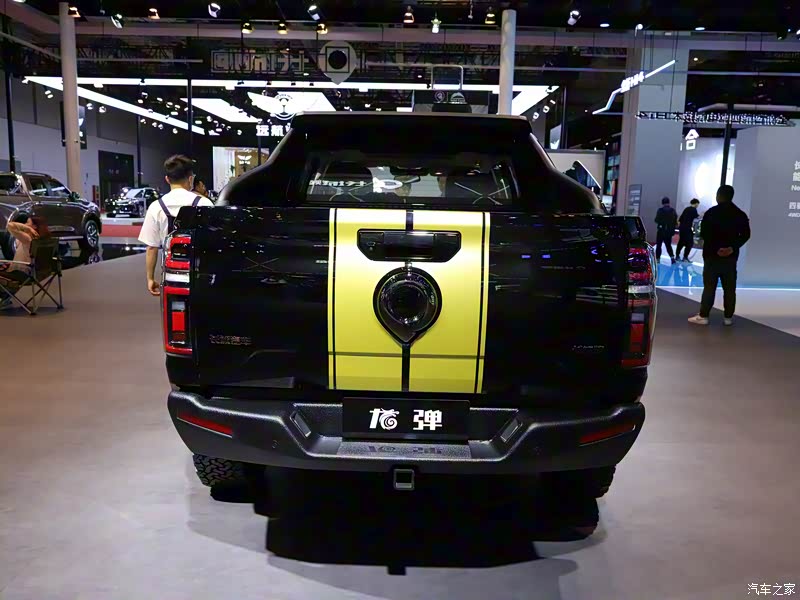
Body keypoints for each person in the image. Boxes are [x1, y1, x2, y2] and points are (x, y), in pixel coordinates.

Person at [138, 155, 214, 296]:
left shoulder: (156, 207)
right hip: (200, 272)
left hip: (171, 273)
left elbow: (151, 247)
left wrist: (150, 278)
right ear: (190, 179)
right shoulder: (205, 203)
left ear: (167, 179)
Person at [688, 185, 750, 327]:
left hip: (712, 256)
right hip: (730, 258)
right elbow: (746, 234)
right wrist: (731, 248)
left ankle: (704, 316)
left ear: (718, 196)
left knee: (709, 287)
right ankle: (728, 317)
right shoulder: (740, 214)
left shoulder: (711, 213)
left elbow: (704, 233)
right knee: (730, 288)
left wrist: (716, 248)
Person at [675, 198, 701, 262]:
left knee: (681, 242)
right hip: (688, 229)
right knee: (690, 243)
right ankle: (685, 257)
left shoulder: (686, 209)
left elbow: (680, 219)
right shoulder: (693, 210)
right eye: (698, 204)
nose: (698, 206)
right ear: (696, 203)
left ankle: (677, 256)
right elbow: (697, 217)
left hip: (682, 228)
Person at [654, 196, 678, 264]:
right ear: (669, 202)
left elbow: (656, 220)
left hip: (661, 231)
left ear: (662, 203)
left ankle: (658, 259)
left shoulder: (660, 210)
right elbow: (675, 221)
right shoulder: (673, 210)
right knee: (668, 245)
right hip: (669, 231)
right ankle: (672, 258)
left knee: (659, 245)